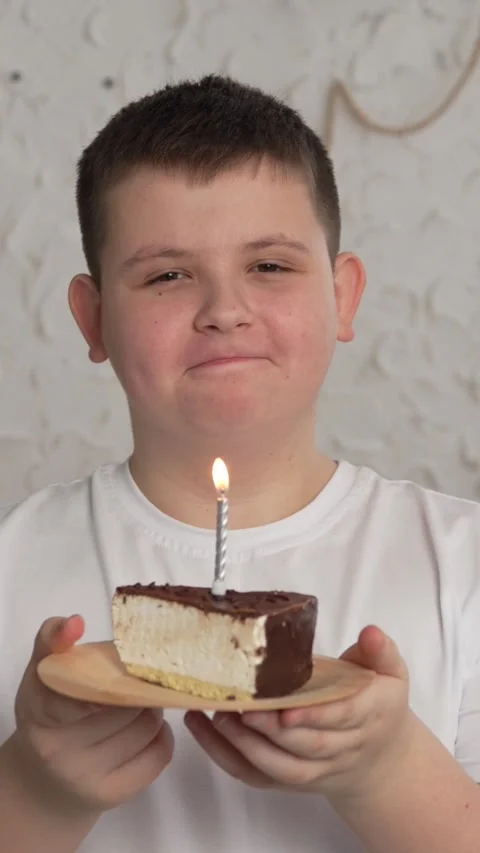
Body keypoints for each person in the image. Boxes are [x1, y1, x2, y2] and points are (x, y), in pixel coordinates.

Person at [0, 74, 479, 853]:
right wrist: (34, 788)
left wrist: (388, 771)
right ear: (94, 319)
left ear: (342, 295)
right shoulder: (11, 563)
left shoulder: (461, 564)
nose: (225, 307)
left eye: (270, 266)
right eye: (165, 274)